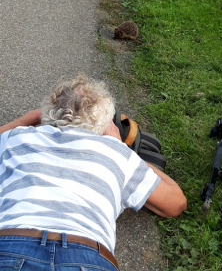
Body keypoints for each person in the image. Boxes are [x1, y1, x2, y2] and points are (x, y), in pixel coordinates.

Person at [0, 74, 187, 270]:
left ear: (48, 113)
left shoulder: (16, 137)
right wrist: (120, 146)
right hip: (87, 254)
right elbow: (176, 203)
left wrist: (29, 118)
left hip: (11, 244)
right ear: (107, 124)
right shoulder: (117, 153)